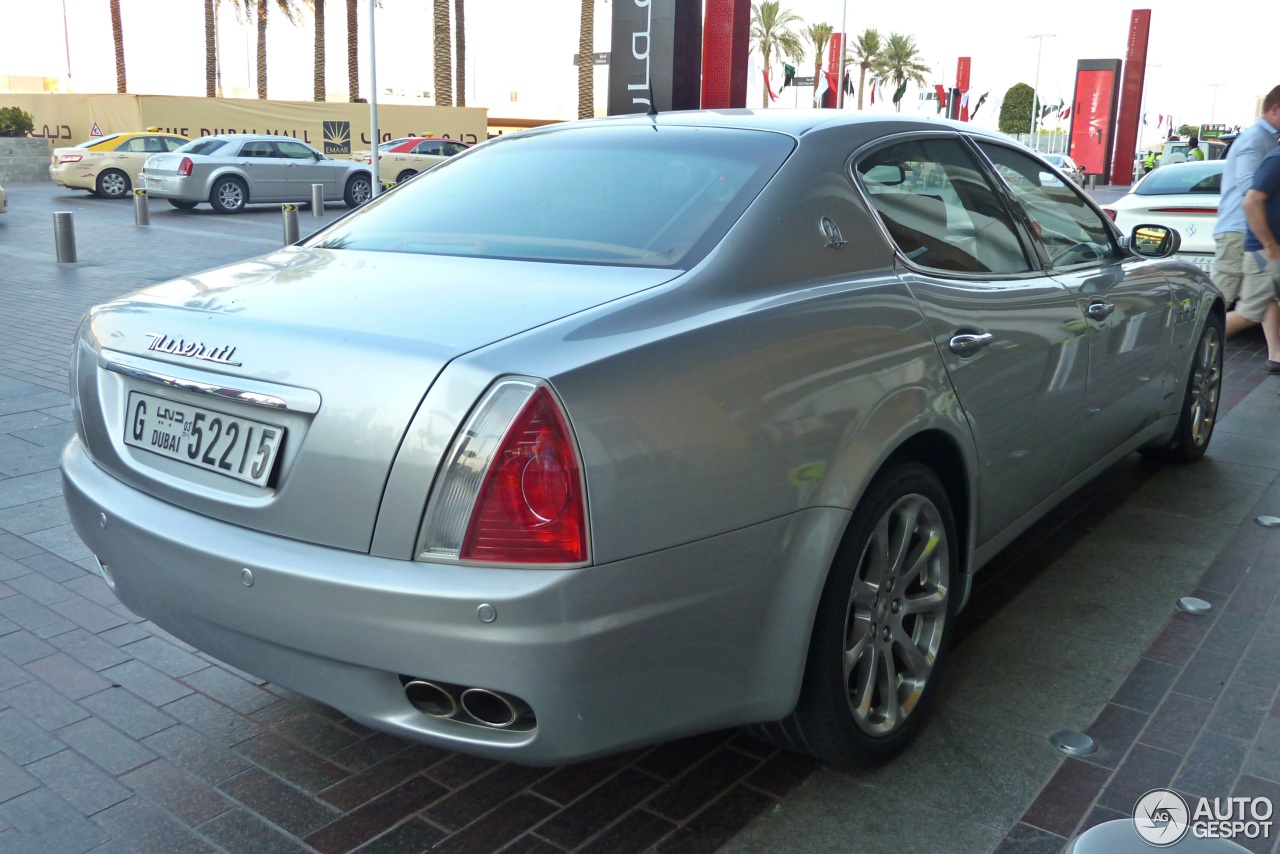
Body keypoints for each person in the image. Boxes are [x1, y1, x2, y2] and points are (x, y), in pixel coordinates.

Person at [1221, 86, 1280, 366]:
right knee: (1225, 302)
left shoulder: (1268, 140)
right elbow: (1250, 190)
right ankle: (1184, 346)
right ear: (1276, 109)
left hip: (1251, 229)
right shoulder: (1256, 140)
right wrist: (1269, 241)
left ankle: (1276, 354)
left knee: (1263, 295)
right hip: (1240, 229)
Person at [1242, 143, 1280, 370]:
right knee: (1247, 314)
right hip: (1265, 251)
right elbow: (1250, 202)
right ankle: (1190, 341)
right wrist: (1269, 244)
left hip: (1269, 249)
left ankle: (1276, 356)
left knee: (1268, 302)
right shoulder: (1276, 159)